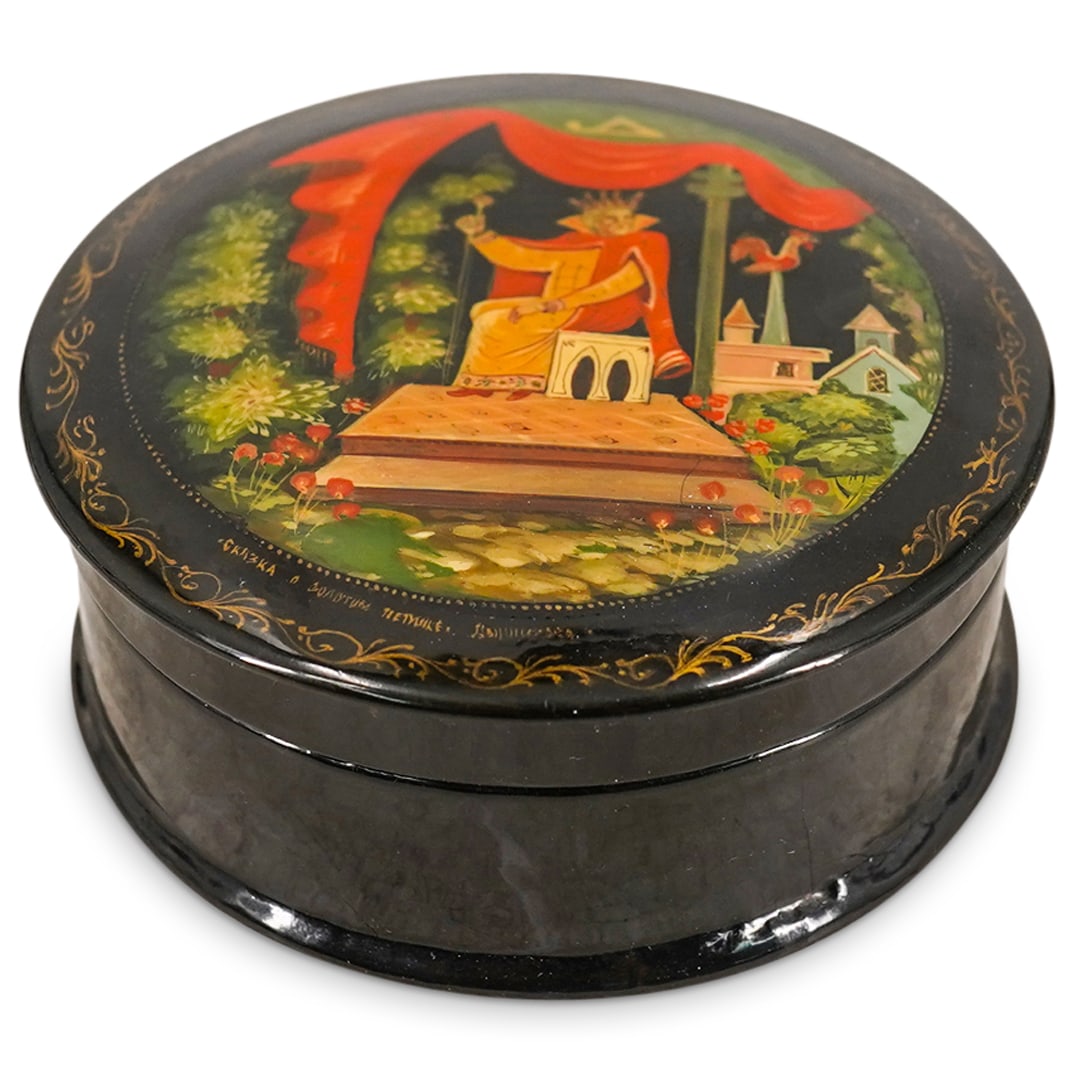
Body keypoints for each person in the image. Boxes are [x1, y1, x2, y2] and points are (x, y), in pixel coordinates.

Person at [449, 192, 692, 400]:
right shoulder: (577, 242)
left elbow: (612, 287)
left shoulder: (643, 246)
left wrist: (554, 304)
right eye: (612, 218)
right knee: (484, 312)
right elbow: (524, 257)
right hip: (559, 304)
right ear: (593, 221)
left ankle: (527, 382)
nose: (621, 224)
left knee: (502, 322)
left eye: (626, 218)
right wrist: (480, 235)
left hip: (598, 309)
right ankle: (482, 384)